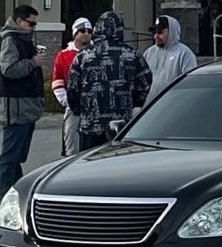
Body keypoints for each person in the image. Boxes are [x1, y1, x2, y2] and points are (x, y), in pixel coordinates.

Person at [67, 9, 152, 152]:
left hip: (90, 127)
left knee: (89, 167)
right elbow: (145, 84)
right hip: (121, 125)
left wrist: (81, 111)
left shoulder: (83, 57)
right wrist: (132, 102)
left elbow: (72, 89)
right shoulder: (132, 55)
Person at [0, 3, 46, 199]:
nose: (33, 27)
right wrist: (33, 63)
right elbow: (9, 69)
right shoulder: (11, 40)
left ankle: (13, 194)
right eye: (30, 23)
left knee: (16, 156)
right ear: (19, 21)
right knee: (10, 156)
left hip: (26, 105)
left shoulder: (23, 39)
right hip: (15, 106)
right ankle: (6, 196)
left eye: (35, 24)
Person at [51, 17, 93, 158]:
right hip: (73, 107)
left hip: (95, 108)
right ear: (75, 33)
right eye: (82, 30)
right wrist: (66, 100)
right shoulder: (63, 55)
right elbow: (58, 81)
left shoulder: (98, 53)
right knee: (71, 143)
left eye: (89, 31)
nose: (86, 33)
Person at [143, 15, 197, 103]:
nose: (156, 36)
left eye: (160, 32)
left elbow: (190, 83)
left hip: (173, 107)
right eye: (154, 32)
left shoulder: (185, 54)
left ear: (172, 32)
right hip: (150, 109)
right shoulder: (149, 53)